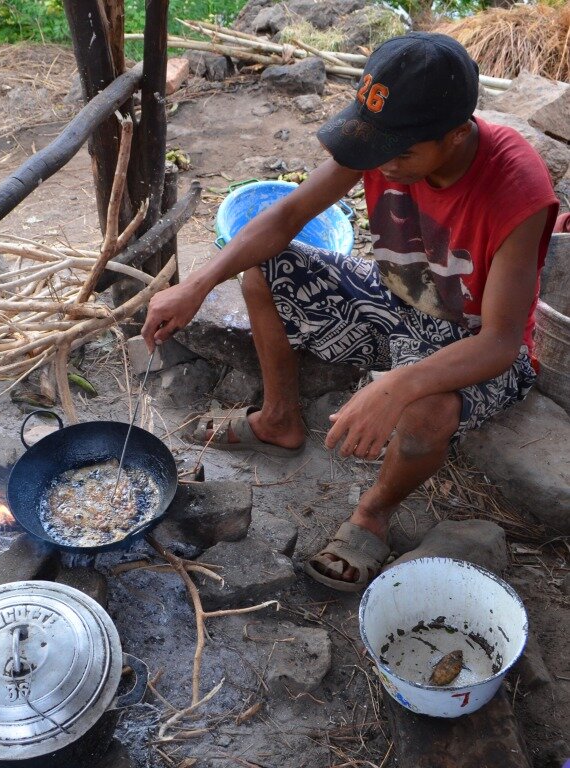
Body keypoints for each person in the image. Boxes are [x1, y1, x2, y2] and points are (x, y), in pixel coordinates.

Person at [141, 32, 558, 593]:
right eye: (375, 149)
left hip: (474, 338)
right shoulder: (383, 142)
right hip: (397, 298)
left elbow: (503, 342)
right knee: (262, 268)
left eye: (400, 154)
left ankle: (374, 514)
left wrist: (396, 387)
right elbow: (287, 216)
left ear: (457, 135)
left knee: (424, 414)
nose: (382, 164)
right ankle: (279, 419)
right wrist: (197, 283)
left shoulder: (517, 189)